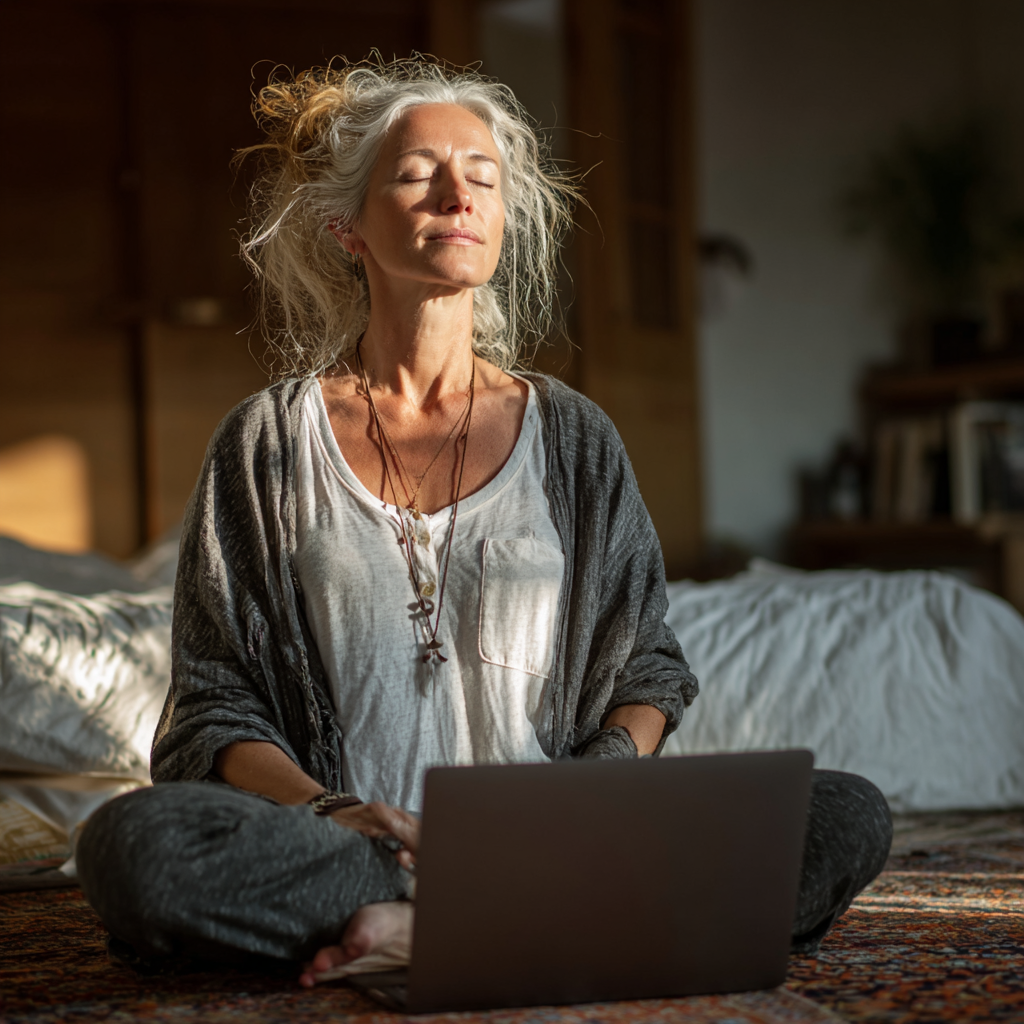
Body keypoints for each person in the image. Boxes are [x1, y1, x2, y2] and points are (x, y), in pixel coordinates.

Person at [76, 58, 891, 986]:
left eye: (485, 177)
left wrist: (600, 782)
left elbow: (648, 669)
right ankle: (522, 919)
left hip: (567, 842)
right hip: (356, 849)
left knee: (846, 811)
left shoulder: (574, 437)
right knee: (132, 847)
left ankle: (430, 928)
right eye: (421, 174)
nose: (459, 193)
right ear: (348, 226)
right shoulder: (266, 442)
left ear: (504, 221)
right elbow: (214, 702)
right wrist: (333, 812)